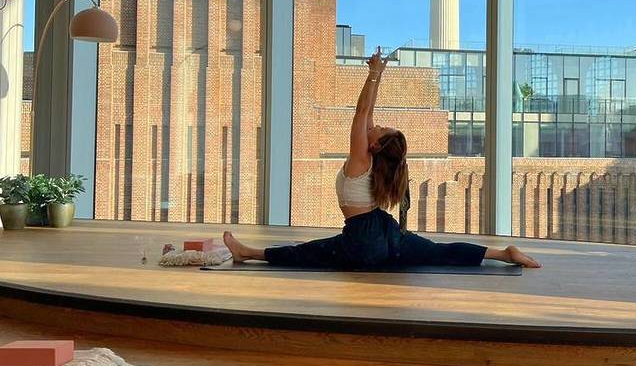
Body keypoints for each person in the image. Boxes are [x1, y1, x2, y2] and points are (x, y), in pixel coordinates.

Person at [223, 48, 540, 269]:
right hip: (387, 233)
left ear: (374, 145)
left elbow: (361, 112)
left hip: (364, 239)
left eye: (380, 129)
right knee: (438, 252)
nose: (375, 125)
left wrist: (374, 74)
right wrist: (378, 75)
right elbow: (368, 112)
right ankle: (502, 254)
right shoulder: (374, 163)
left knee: (307, 253)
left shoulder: (361, 161)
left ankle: (247, 252)